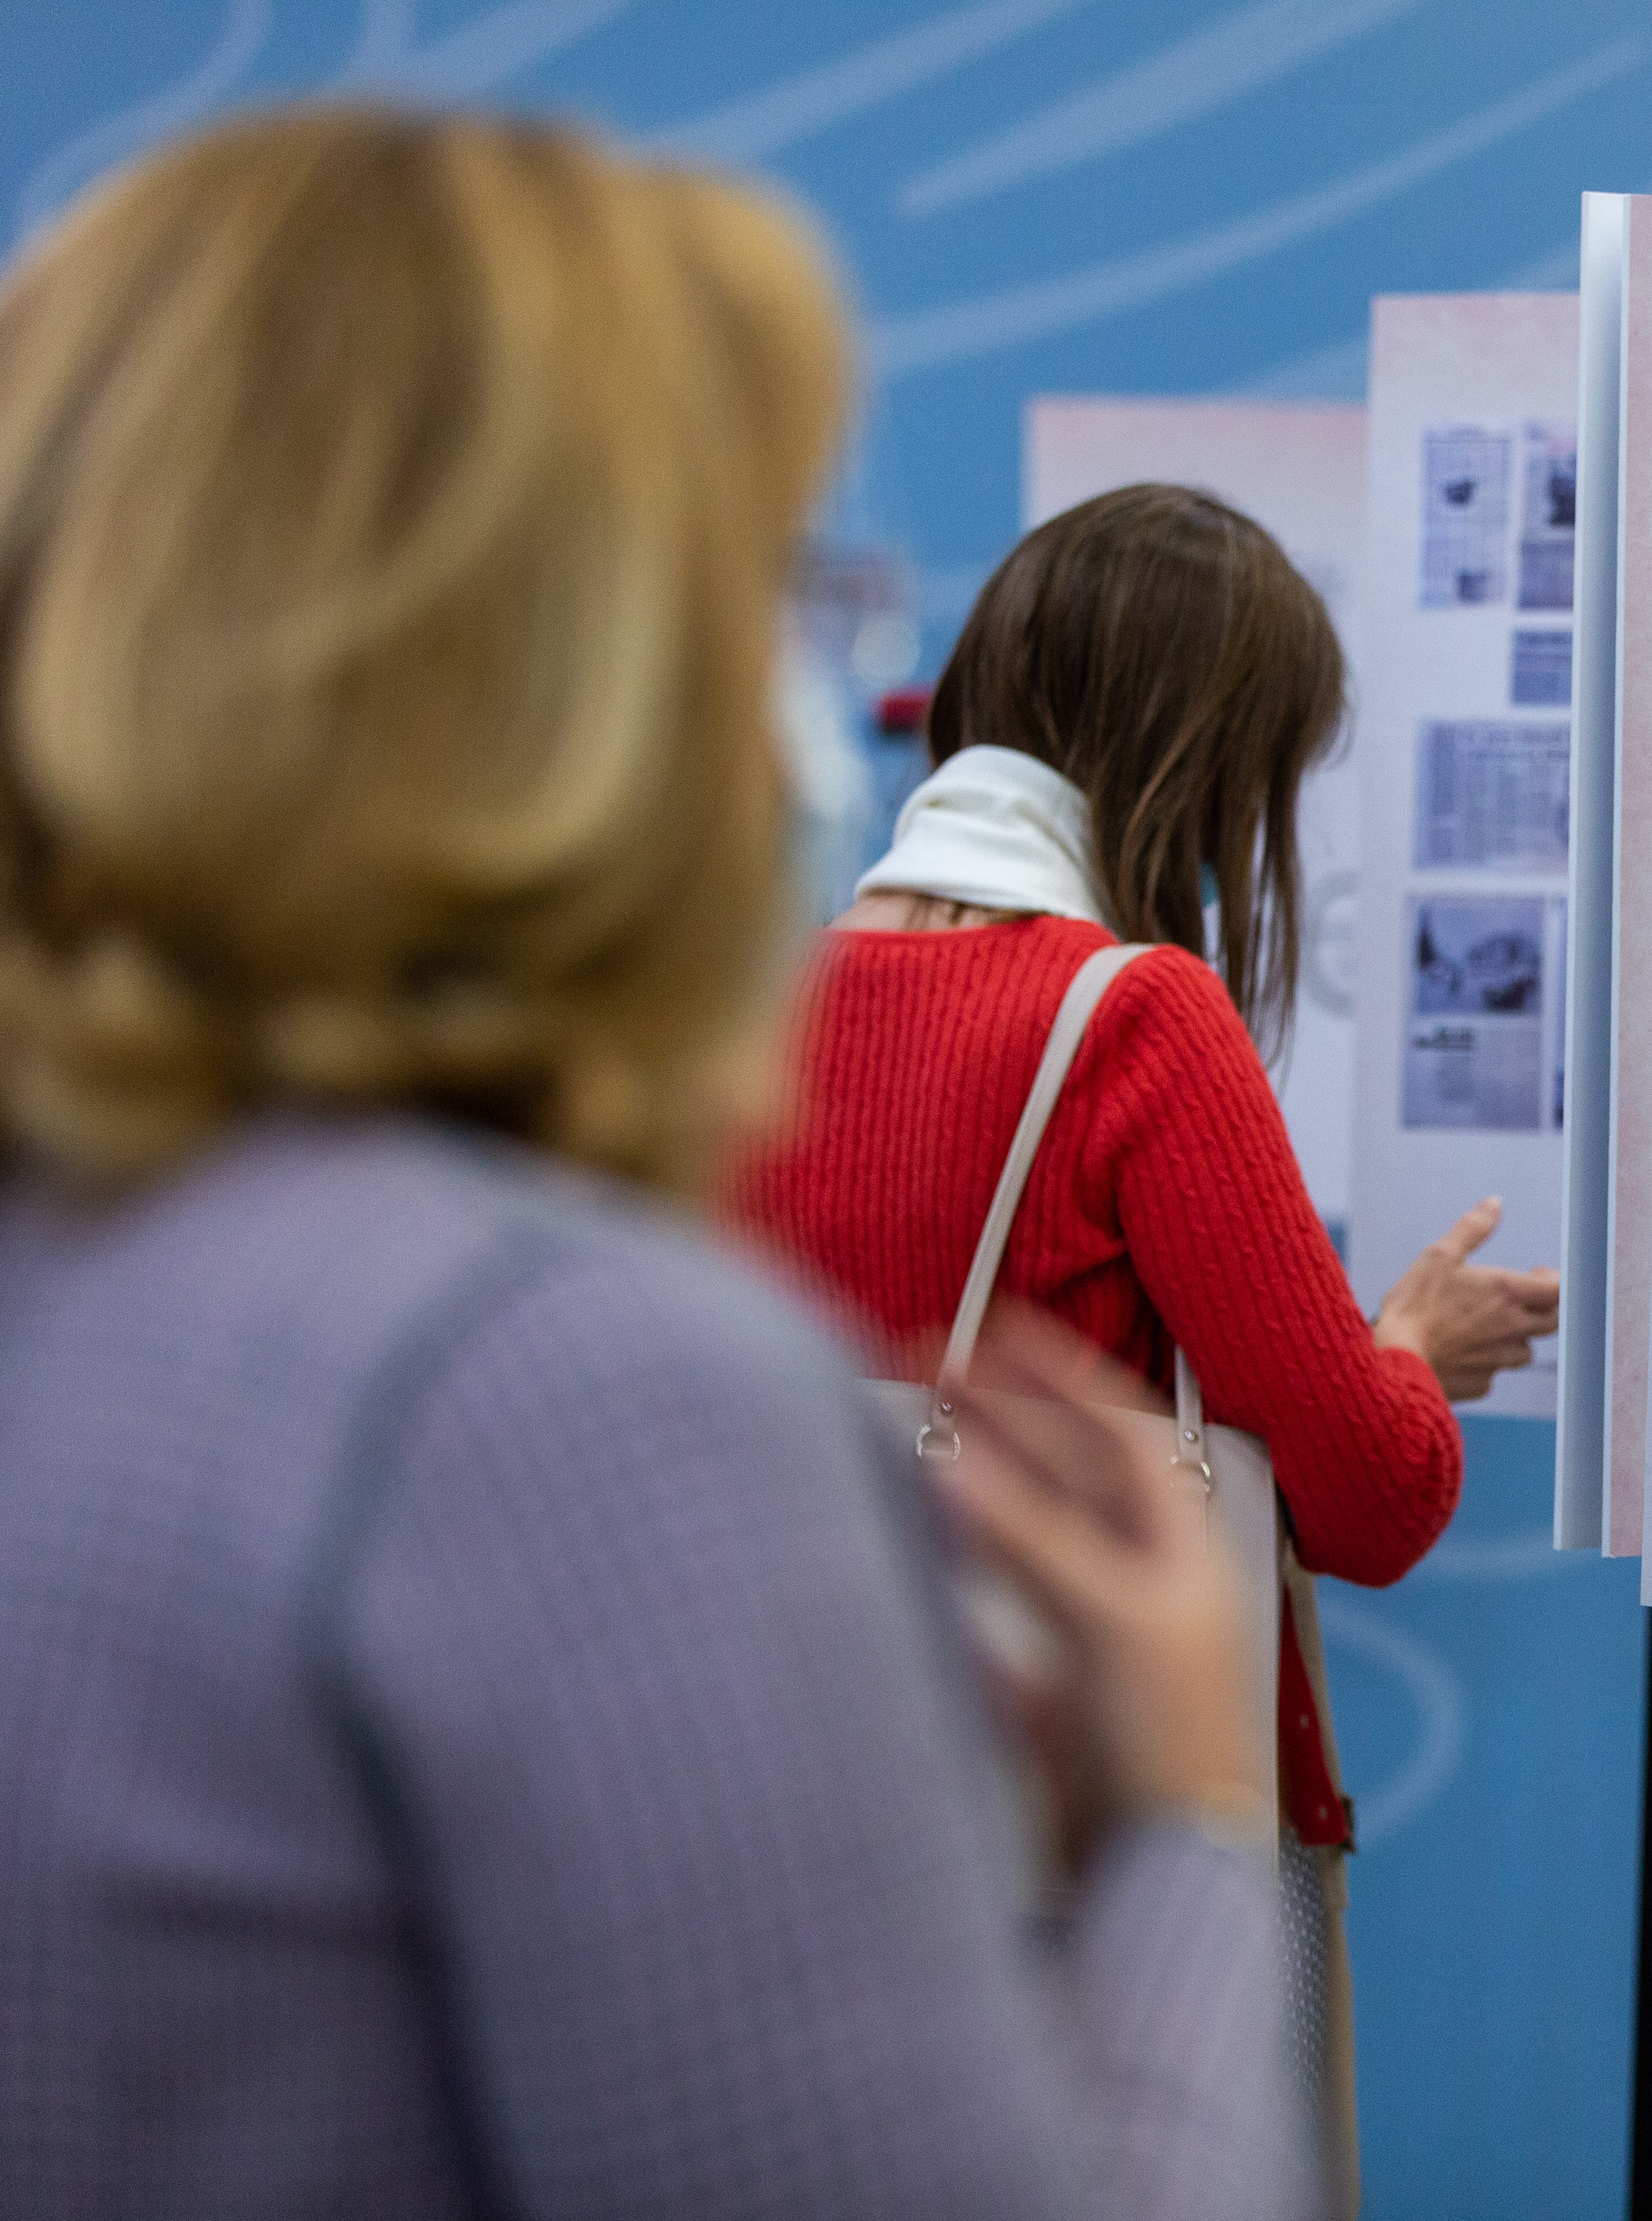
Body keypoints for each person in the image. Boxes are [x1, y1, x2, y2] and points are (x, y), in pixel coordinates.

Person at [0, 109, 1303, 2218]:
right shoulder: (545, 1388)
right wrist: (1183, 1820)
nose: (806, 700)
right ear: (545, 679)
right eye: (755, 587)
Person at [722, 484, 1559, 2213]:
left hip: (798, 1823)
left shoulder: (754, 998)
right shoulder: (1139, 1020)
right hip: (1109, 1853)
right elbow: (1368, 1489)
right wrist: (1411, 1344)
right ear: (1204, 761)